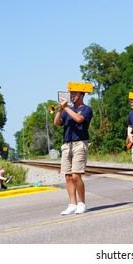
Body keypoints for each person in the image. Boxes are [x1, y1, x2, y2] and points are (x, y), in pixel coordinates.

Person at [54, 82, 93, 215]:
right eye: (71, 94)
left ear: (82, 95)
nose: (72, 96)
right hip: (66, 144)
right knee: (68, 176)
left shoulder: (87, 109)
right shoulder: (66, 110)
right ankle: (72, 204)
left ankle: (82, 203)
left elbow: (78, 119)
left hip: (79, 143)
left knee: (76, 175)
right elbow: (56, 123)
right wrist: (60, 109)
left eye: (75, 94)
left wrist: (66, 109)